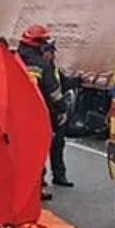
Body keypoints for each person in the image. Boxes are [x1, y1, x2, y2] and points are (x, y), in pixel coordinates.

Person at [16, 25, 68, 201]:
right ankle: (34, 190)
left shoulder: (14, 58)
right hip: (36, 116)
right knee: (35, 154)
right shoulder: (42, 64)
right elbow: (53, 92)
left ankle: (15, 189)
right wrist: (62, 109)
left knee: (17, 153)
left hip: (13, 115)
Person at [42, 40, 73, 188]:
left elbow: (64, 83)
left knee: (58, 145)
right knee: (41, 149)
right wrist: (60, 108)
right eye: (51, 52)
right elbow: (51, 92)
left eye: (53, 52)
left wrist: (78, 81)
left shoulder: (53, 68)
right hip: (46, 113)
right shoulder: (42, 68)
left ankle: (59, 176)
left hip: (55, 113)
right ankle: (40, 180)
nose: (53, 55)